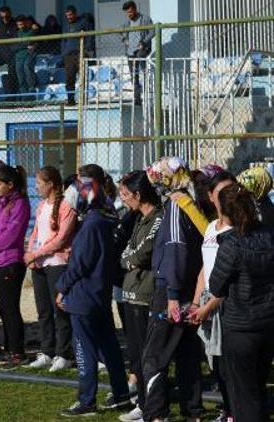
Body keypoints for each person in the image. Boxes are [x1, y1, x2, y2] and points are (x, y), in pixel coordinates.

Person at [56, 164, 131, 417]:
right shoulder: (107, 216)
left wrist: (62, 287)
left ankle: (87, 400)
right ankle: (121, 395)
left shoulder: (91, 223)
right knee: (109, 347)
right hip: (99, 294)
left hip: (83, 296)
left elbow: (80, 263)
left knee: (84, 349)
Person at [143, 157, 204, 421]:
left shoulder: (176, 205)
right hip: (189, 288)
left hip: (171, 290)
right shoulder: (191, 201)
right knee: (187, 353)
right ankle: (193, 410)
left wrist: (172, 295)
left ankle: (156, 413)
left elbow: (176, 250)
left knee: (154, 356)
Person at [207, 184, 274, 422]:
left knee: (243, 397)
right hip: (266, 324)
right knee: (257, 389)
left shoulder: (232, 245)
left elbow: (216, 286)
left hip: (241, 327)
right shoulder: (269, 236)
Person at [179, 171, 236, 422]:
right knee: (215, 362)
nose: (227, 198)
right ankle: (228, 407)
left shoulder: (240, 229)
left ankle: (235, 410)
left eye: (231, 191)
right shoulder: (212, 227)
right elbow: (205, 267)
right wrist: (195, 302)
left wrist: (209, 306)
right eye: (221, 192)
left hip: (226, 304)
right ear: (211, 196)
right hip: (207, 303)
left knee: (229, 363)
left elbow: (232, 276)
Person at [116, 170, 163, 422]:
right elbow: (126, 254)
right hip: (130, 292)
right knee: (135, 353)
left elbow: (143, 253)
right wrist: (129, 260)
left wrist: (131, 259)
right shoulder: (136, 219)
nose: (123, 199)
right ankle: (143, 403)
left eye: (126, 194)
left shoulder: (157, 217)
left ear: (138, 194)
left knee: (149, 355)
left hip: (146, 294)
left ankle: (154, 406)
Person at [25, 166, 77, 372]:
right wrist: (30, 254)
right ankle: (46, 351)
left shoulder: (66, 207)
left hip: (57, 263)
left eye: (39, 183)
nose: (36, 186)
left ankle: (63, 353)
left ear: (51, 184)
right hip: (40, 265)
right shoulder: (41, 205)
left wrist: (36, 254)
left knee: (60, 311)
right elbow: (36, 233)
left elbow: (61, 239)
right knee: (43, 311)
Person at [0, 165, 30, 370]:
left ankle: (18, 352)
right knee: (3, 308)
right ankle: (9, 348)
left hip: (11, 262)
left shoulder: (19, 204)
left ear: (10, 185)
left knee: (10, 309)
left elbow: (11, 235)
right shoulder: (3, 203)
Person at [121, 1, 154, 105]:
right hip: (130, 52)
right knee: (133, 76)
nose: (129, 14)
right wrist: (124, 40)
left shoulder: (145, 19)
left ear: (135, 9)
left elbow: (153, 31)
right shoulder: (127, 23)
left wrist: (144, 42)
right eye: (127, 13)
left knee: (143, 72)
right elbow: (119, 33)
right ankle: (137, 99)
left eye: (130, 12)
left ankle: (148, 96)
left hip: (142, 49)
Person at [62, 6, 95, 105]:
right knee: (69, 79)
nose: (69, 17)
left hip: (81, 54)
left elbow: (90, 36)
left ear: (75, 13)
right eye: (67, 15)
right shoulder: (66, 25)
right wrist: (63, 53)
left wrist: (87, 50)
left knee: (83, 78)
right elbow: (63, 40)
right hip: (69, 56)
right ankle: (70, 100)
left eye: (71, 15)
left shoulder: (84, 22)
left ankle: (83, 100)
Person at [14, 15, 37, 99]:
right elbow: (14, 46)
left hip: (28, 55)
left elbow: (32, 44)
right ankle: (24, 98)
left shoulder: (31, 32)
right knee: (20, 75)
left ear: (25, 23)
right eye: (19, 25)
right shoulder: (16, 33)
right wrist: (25, 45)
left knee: (27, 68)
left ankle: (31, 95)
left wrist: (21, 45)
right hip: (19, 56)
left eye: (22, 24)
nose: (21, 26)